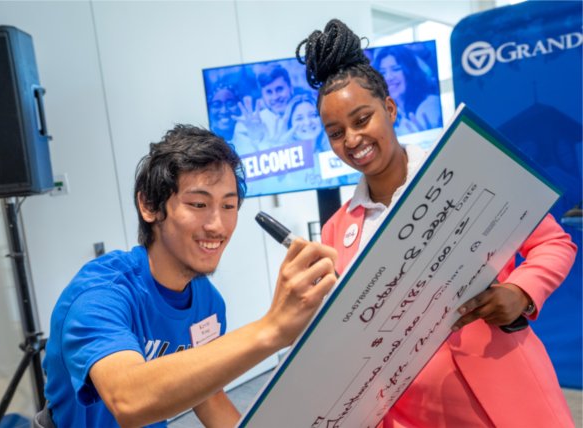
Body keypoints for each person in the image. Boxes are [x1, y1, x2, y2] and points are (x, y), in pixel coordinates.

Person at [297, 19, 577, 427]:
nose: (352, 139)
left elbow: (555, 243)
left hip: (508, 385)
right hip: (413, 413)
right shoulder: (336, 231)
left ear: (389, 109)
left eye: (362, 119)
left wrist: (521, 290)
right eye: (336, 132)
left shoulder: (465, 168)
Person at [42, 124, 337, 427]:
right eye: (199, 204)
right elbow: (128, 399)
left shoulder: (207, 302)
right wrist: (271, 328)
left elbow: (208, 398)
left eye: (229, 205)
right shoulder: (99, 294)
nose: (217, 225)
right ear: (149, 205)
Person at [373, 45, 442, 136]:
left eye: (396, 69)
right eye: (383, 72)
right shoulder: (393, 113)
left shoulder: (430, 105)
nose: (389, 77)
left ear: (410, 72)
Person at [232, 64, 294, 152]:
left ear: (291, 88)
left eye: (279, 89)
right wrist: (257, 139)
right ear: (262, 95)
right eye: (269, 92)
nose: (275, 97)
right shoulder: (245, 125)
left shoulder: (307, 114)